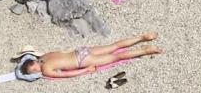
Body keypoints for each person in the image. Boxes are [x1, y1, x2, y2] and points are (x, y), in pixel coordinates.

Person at [12, 34, 161, 80]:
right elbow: (63, 51)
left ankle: (145, 51)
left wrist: (85, 70)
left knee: (118, 56)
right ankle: (142, 37)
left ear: (34, 67)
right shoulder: (44, 56)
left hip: (81, 61)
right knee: (114, 46)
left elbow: (67, 74)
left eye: (33, 71)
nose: (36, 72)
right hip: (80, 51)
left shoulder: (45, 70)